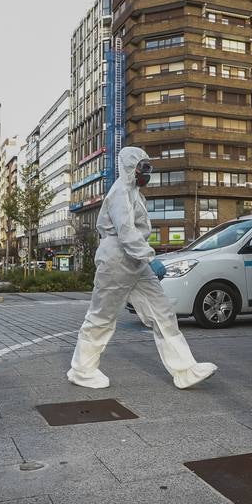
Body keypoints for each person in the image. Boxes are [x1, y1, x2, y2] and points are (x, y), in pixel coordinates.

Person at [68, 146, 217, 390]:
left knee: (162, 312)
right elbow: (126, 232)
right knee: (102, 316)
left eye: (149, 167)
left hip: (135, 260)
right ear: (130, 167)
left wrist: (145, 259)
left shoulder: (134, 193)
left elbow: (134, 234)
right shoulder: (120, 193)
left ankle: (185, 370)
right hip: (117, 258)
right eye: (143, 167)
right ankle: (82, 370)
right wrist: (149, 257)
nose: (148, 172)